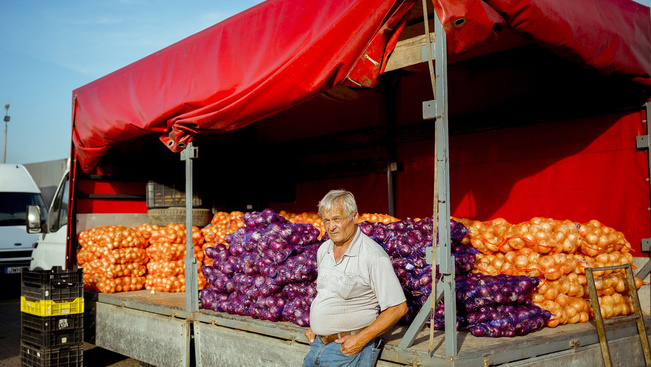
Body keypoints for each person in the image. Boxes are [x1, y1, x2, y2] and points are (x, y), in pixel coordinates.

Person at [303, 189, 407, 367]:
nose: (331, 227)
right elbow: (327, 292)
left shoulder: (372, 255)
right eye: (326, 221)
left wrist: (359, 340)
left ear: (354, 217)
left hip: (346, 352)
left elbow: (398, 307)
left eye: (337, 219)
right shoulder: (324, 249)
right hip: (317, 346)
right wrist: (318, 326)